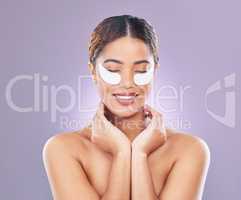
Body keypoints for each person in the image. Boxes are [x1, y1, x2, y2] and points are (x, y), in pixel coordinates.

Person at [42, 15, 210, 200]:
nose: (128, 83)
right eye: (113, 70)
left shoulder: (189, 150)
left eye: (141, 71)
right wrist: (122, 152)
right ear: (93, 71)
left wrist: (140, 154)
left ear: (154, 71)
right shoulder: (63, 149)